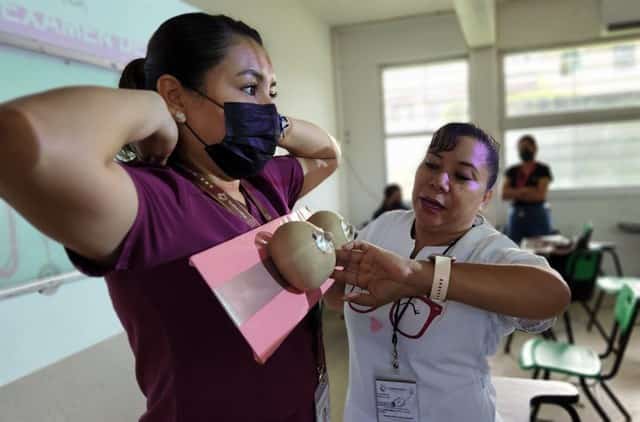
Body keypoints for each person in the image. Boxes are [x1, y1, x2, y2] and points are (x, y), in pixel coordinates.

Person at [0, 13, 340, 422]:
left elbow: (328, 153)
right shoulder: (155, 200)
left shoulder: (260, 183)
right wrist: (151, 110)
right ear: (177, 96)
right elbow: (18, 140)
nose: (268, 106)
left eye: (273, 92)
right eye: (250, 88)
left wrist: (274, 124)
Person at [327, 123, 570, 422]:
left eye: (462, 176)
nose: (439, 181)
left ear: (485, 197)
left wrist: (418, 275)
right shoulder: (384, 227)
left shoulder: (487, 252)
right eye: (431, 164)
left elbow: (553, 294)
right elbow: (339, 300)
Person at [501, 134, 554, 244]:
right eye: (521, 148)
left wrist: (515, 192)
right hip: (516, 215)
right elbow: (504, 194)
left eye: (526, 147)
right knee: (514, 247)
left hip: (538, 214)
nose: (524, 150)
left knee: (541, 247)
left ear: (535, 148)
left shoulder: (543, 170)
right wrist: (527, 191)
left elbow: (540, 195)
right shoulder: (512, 171)